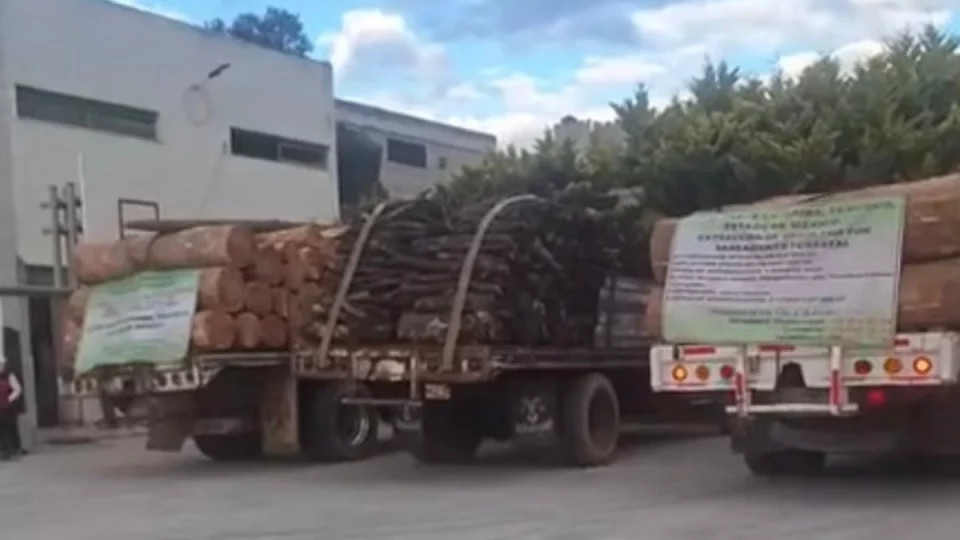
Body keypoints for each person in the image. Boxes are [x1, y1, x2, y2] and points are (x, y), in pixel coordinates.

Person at [0, 356, 23, 460]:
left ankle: (13, 449)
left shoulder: (9, 375)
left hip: (8, 407)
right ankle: (3, 450)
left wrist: (8, 399)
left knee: (10, 428)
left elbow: (17, 389)